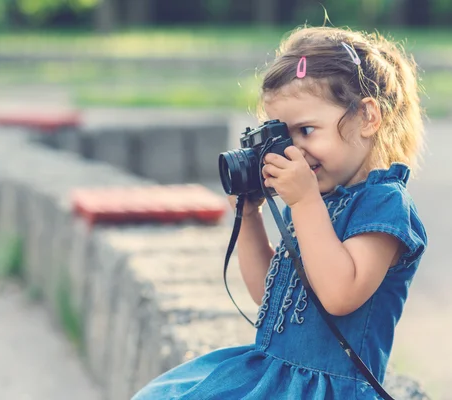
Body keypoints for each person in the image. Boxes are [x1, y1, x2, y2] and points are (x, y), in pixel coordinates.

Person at [132, 25, 428, 399]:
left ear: (368, 117)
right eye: (284, 135)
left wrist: (303, 203)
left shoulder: (384, 204)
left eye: (306, 130)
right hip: (271, 373)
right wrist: (250, 217)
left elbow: (339, 294)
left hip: (327, 389)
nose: (294, 150)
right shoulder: (314, 197)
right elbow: (266, 295)